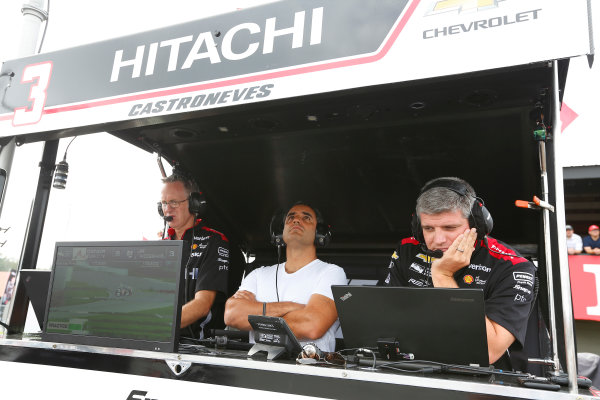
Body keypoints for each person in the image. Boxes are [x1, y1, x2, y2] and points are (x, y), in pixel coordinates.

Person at [383, 177, 536, 371]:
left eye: (450, 228)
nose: (438, 239)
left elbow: (488, 351)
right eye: (428, 228)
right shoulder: (407, 249)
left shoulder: (513, 266)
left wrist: (444, 277)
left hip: (483, 380)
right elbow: (386, 324)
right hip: (413, 368)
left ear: (477, 224)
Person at [224, 202, 347, 352]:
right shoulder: (259, 274)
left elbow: (312, 326)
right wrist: (293, 307)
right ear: (280, 232)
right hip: (257, 368)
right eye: (291, 217)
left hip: (309, 371)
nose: (296, 220)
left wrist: (255, 314)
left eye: (306, 218)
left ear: (319, 232)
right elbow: (232, 315)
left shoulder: (332, 273)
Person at [160, 173, 232, 339]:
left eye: (174, 202)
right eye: (164, 203)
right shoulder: (160, 245)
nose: (167, 209)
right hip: (158, 339)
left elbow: (202, 305)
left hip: (196, 345)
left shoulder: (214, 241)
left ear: (194, 204)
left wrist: (159, 326)